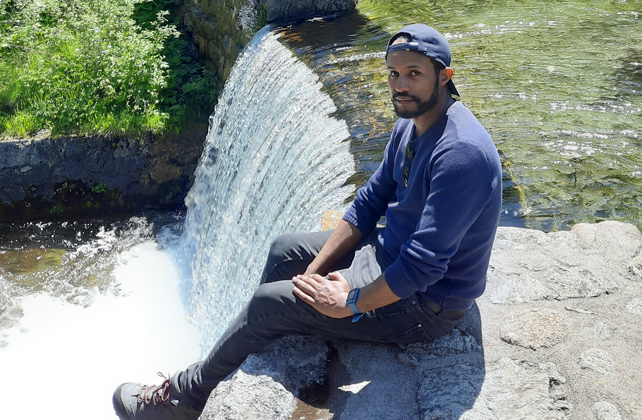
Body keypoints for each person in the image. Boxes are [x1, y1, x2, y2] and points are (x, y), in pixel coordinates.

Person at [113, 23, 502, 420]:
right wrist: (312, 274)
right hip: (389, 255)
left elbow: (422, 267)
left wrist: (349, 303)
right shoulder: (410, 123)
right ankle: (256, 341)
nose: (400, 85)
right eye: (393, 73)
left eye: (414, 74)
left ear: (445, 77)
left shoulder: (461, 153)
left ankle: (186, 398)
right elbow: (369, 202)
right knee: (285, 252)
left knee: (267, 305)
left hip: (424, 307)